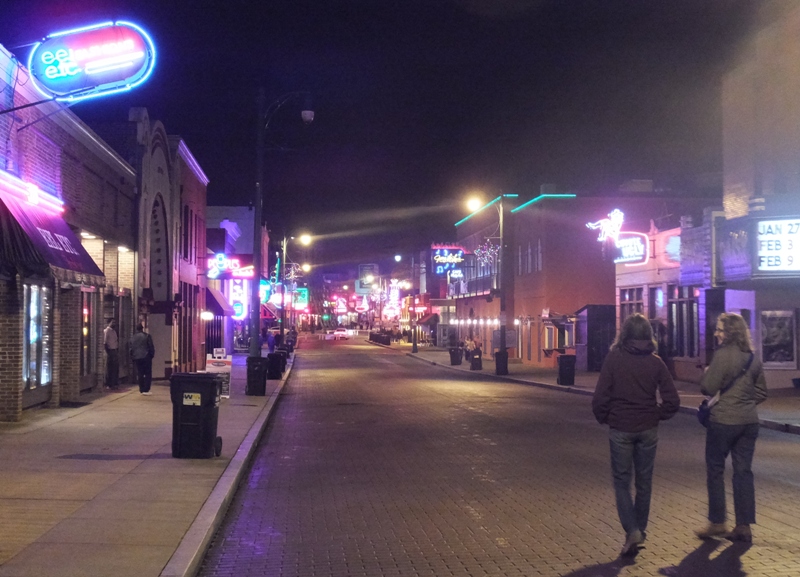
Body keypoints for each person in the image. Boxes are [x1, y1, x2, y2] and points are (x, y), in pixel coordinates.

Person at [592, 313, 680, 556]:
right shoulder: (656, 362)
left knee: (622, 482)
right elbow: (673, 400)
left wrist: (606, 417)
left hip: (621, 428)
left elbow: (600, 397)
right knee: (644, 483)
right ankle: (639, 530)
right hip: (648, 429)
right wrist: (657, 414)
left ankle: (632, 531)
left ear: (625, 334)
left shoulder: (614, 359)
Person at [696, 313, 767, 543]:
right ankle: (744, 526)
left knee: (715, 469)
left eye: (719, 329)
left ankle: (717, 522)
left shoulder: (722, 356)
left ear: (730, 332)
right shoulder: (752, 357)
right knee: (743, 472)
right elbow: (761, 392)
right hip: (749, 422)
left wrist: (708, 374)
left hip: (723, 421)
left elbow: (708, 387)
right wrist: (744, 403)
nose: (716, 333)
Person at [129, 324, 155, 395]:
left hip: (137, 357)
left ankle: (141, 388)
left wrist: (133, 357)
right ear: (142, 328)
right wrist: (151, 355)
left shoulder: (133, 338)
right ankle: (146, 389)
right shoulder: (147, 336)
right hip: (146, 357)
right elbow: (151, 347)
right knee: (147, 373)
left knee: (140, 373)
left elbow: (131, 349)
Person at [103, 319, 119, 390]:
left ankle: (114, 382)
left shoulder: (114, 331)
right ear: (109, 323)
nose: (114, 323)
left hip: (115, 350)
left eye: (115, 322)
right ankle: (109, 383)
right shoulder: (107, 331)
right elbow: (105, 342)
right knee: (110, 368)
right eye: (113, 322)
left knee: (115, 367)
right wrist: (108, 352)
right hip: (110, 350)